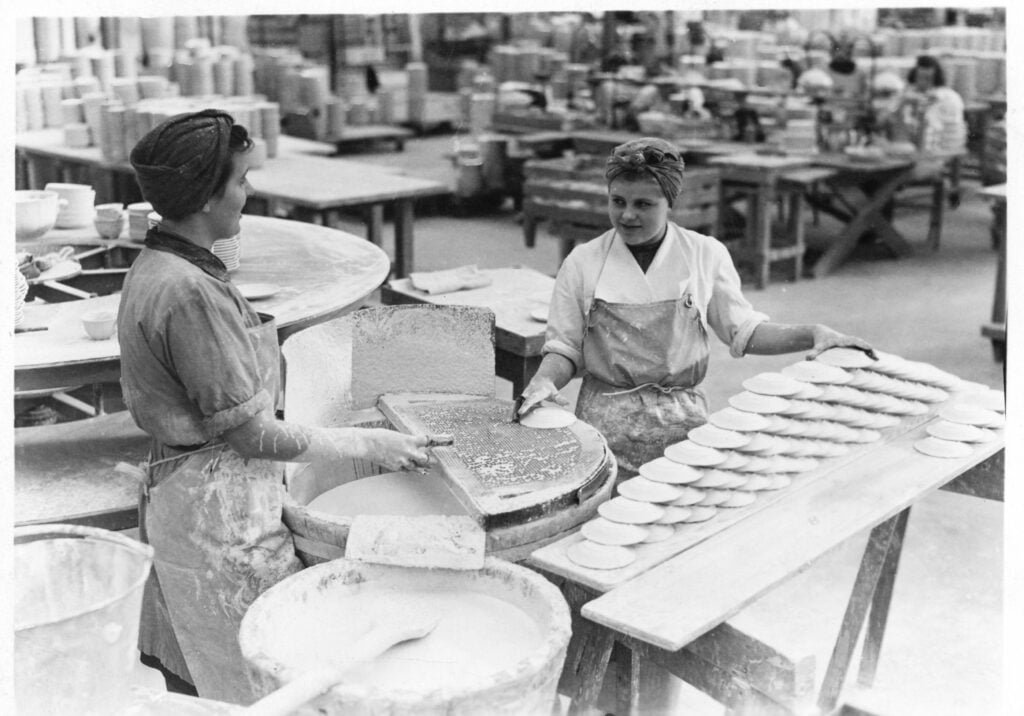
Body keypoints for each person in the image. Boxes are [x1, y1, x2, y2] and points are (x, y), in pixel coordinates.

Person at [119, 109, 433, 704]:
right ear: (205, 196)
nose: (249, 192)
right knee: (270, 683)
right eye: (240, 181)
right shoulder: (189, 294)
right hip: (219, 517)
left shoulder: (163, 265)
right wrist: (371, 442)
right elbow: (250, 435)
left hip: (191, 491)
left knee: (227, 675)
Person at [516, 138, 874, 475]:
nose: (627, 215)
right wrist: (545, 381)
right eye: (618, 201)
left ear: (670, 203)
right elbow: (564, 348)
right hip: (603, 425)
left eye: (644, 204)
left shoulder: (704, 254)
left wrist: (813, 333)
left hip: (682, 424)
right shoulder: (583, 262)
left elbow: (744, 331)